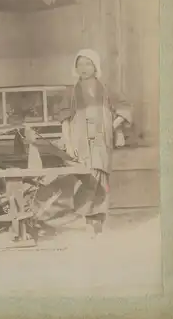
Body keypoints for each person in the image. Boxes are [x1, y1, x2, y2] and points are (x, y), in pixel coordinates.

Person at [58, 49, 132, 236]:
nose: (84, 68)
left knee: (100, 179)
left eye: (88, 64)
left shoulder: (106, 88)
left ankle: (98, 219)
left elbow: (124, 108)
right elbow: (64, 118)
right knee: (85, 179)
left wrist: (111, 126)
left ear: (95, 66)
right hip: (80, 141)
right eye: (80, 64)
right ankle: (89, 220)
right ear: (75, 67)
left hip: (101, 142)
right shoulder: (71, 92)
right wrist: (68, 142)